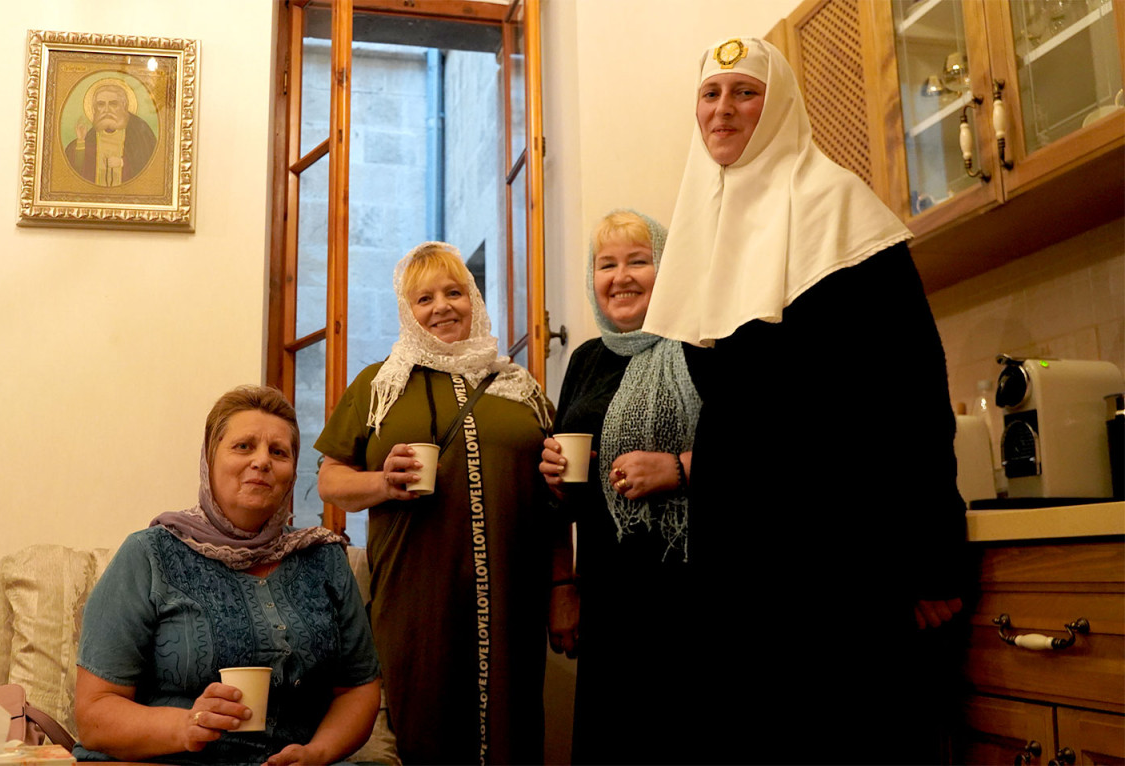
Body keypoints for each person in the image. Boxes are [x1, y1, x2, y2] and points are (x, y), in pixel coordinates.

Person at [641, 37, 969, 762]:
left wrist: (934, 558)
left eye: (745, 92)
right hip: (738, 554)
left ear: (780, 106)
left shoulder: (840, 208)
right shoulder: (706, 226)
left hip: (841, 551)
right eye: (710, 93)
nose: (723, 110)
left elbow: (913, 395)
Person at [316, 242, 555, 764]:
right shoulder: (380, 385)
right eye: (424, 298)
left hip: (514, 596)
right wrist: (382, 484)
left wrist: (562, 585)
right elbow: (330, 480)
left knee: (513, 729)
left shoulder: (521, 388)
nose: (442, 307)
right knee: (424, 729)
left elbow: (555, 499)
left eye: (455, 292)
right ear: (408, 311)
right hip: (414, 596)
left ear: (475, 299)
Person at [73, 385, 381, 765]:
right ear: (209, 459)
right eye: (243, 446)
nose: (262, 461)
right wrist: (186, 726)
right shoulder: (150, 554)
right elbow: (94, 714)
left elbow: (357, 688)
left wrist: (318, 753)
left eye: (279, 452)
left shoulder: (324, 558)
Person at [537, 209, 700, 764]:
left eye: (639, 260)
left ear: (668, 267)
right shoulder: (585, 359)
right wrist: (562, 583)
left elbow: (761, 449)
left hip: (695, 592)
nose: (621, 276)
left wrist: (678, 466)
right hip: (608, 594)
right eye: (606, 264)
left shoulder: (704, 343)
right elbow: (559, 501)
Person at [64, 78, 158, 186]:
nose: (106, 109)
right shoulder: (92, 134)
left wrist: (122, 162)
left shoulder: (140, 131)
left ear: (124, 105)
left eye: (113, 104)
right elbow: (77, 169)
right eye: (101, 104)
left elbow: (150, 163)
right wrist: (80, 141)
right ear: (94, 108)